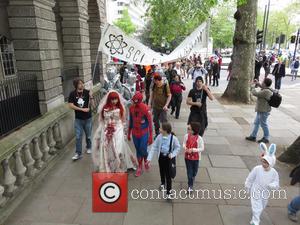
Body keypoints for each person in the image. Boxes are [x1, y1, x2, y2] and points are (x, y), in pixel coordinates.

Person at [92, 91, 137, 172]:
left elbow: (123, 120)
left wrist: (124, 131)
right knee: (108, 149)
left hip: (118, 129)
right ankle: (110, 167)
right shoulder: (104, 109)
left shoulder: (121, 108)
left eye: (115, 99)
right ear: (109, 99)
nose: (114, 101)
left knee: (118, 149)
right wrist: (105, 128)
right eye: (112, 99)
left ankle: (119, 166)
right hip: (107, 130)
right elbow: (101, 120)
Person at [245, 143, 279, 225]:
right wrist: (247, 186)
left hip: (265, 192)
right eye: (263, 161)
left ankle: (256, 214)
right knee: (257, 206)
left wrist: (272, 185)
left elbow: (276, 182)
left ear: (271, 163)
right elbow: (250, 178)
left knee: (262, 205)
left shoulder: (274, 172)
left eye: (266, 163)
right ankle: (255, 222)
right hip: (256, 189)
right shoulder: (257, 169)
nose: (263, 164)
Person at [146, 122, 181, 199]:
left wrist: (172, 154)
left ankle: (168, 192)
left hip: (168, 159)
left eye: (161, 128)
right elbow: (154, 147)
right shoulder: (159, 137)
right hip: (161, 157)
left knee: (168, 176)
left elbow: (178, 148)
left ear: (165, 130)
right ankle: (162, 183)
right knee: (161, 171)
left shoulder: (173, 138)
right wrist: (149, 159)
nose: (159, 129)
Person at [128, 92, 153, 177]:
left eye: (135, 102)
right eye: (133, 101)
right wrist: (128, 132)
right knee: (138, 149)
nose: (134, 103)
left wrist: (150, 136)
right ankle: (139, 166)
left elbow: (150, 123)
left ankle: (145, 159)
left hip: (144, 133)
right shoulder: (131, 108)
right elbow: (131, 121)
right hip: (135, 133)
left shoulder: (145, 108)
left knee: (143, 148)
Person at [68, 79, 94, 161]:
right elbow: (70, 105)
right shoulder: (72, 94)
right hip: (78, 119)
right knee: (78, 136)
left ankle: (89, 147)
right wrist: (82, 109)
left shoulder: (87, 92)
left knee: (88, 135)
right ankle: (78, 153)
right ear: (76, 85)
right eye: (80, 84)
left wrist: (91, 96)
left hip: (88, 118)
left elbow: (92, 105)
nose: (82, 85)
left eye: (82, 83)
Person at [246, 78, 273, 144]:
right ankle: (253, 136)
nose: (262, 82)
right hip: (261, 110)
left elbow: (255, 93)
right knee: (257, 123)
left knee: (263, 124)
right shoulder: (268, 89)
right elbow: (262, 87)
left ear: (265, 83)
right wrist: (257, 83)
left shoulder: (266, 91)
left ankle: (266, 137)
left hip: (264, 111)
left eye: (263, 82)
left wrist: (252, 86)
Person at [183, 122, 204, 192]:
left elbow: (202, 148)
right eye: (187, 128)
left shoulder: (199, 138)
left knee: (195, 171)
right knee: (189, 172)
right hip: (187, 157)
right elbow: (184, 143)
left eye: (189, 129)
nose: (187, 130)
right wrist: (185, 148)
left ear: (194, 131)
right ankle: (190, 185)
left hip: (196, 158)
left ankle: (193, 176)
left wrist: (193, 150)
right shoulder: (186, 136)